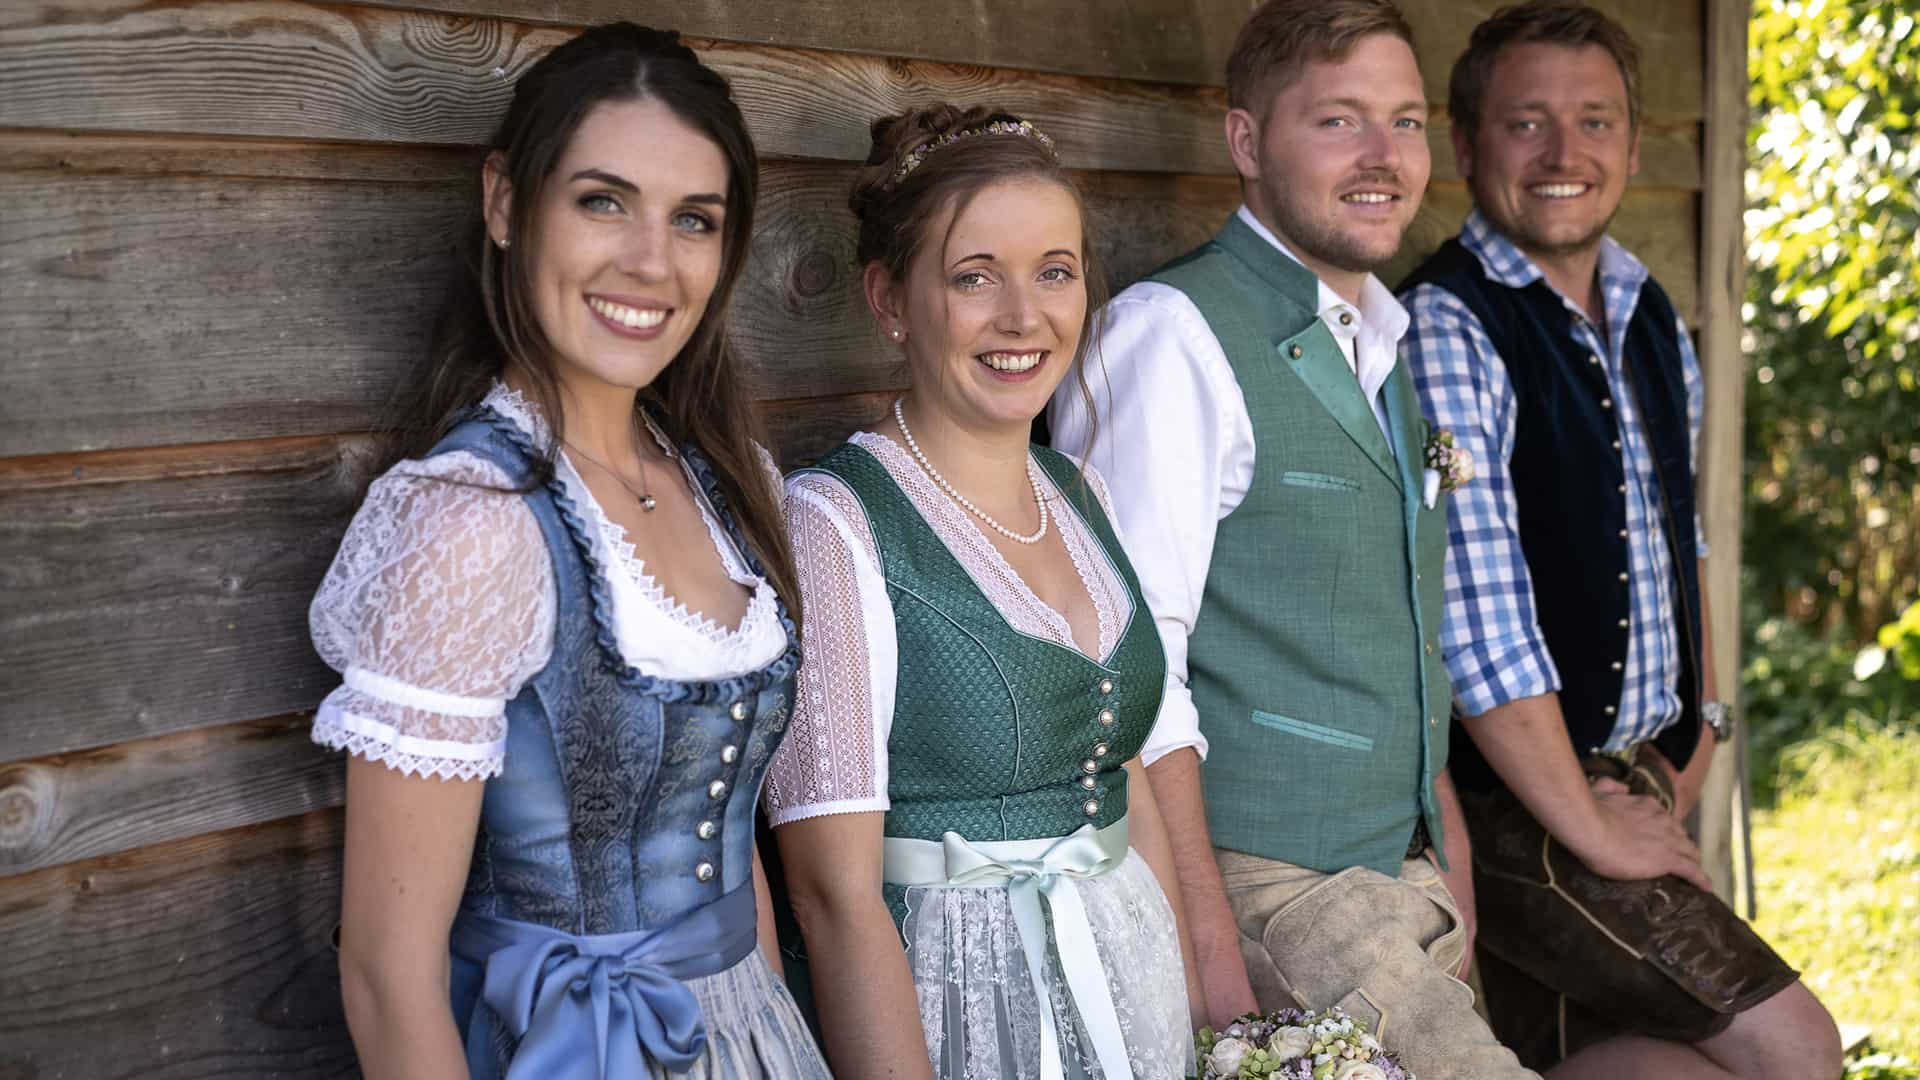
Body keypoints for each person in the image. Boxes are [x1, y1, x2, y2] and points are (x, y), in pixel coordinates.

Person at [307, 24, 830, 1079]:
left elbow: (739, 869)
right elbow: (384, 973)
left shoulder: (731, 483)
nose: (650, 261)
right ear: (506, 202)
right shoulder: (472, 523)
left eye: (694, 220)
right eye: (603, 201)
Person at [1049, 2, 1540, 1077]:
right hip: (1269, 886)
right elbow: (1127, 672)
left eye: (1405, 122)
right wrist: (1209, 948)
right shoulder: (1175, 337)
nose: (1383, 158)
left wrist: (1443, 848)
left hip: (1396, 882)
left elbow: (1398, 634)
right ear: (1246, 142)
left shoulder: (1381, 335)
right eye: (1338, 122)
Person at [1398, 4, 1843, 1077]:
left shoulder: (1647, 312)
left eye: (1595, 122)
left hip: (1640, 781)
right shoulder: (1448, 328)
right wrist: (1593, 830)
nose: (1565, 154)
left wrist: (1700, 737)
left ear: (1635, 145)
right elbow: (1476, 618)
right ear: (1466, 146)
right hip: (1516, 810)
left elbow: (1682, 545)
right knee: (1799, 1051)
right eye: (1528, 124)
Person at [762, 105, 1198, 1079]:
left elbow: (1123, 778)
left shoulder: (1078, 493)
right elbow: (830, 896)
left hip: (1127, 975)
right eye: (973, 277)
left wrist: (1178, 1023)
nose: (1023, 315)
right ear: (889, 300)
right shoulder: (839, 521)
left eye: (1055, 270)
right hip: (958, 999)